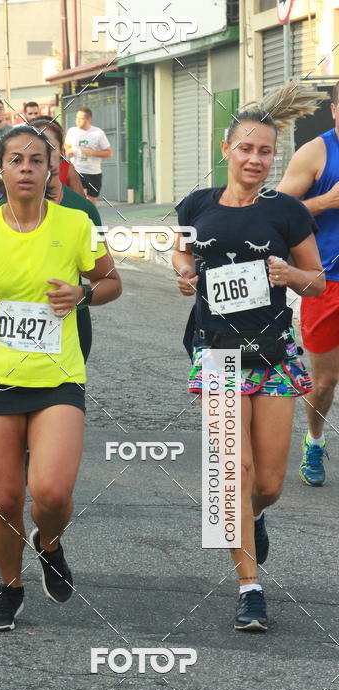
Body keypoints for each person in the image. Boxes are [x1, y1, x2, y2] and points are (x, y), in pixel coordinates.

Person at [0, 125, 122, 630]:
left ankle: (50, 544)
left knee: (51, 493)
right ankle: (10, 586)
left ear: (51, 169)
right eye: (16, 160)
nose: (25, 168)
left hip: (57, 376)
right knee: (4, 498)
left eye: (35, 160)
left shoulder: (74, 225)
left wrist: (82, 295)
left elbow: (111, 282)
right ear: (1, 170)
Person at [172, 82, 324, 632]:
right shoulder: (196, 205)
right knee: (234, 472)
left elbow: (318, 281)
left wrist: (292, 276)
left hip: (276, 356)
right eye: (246, 149)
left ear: (273, 156)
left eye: (265, 151)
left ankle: (254, 517)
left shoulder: (286, 212)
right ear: (226, 149)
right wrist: (183, 274)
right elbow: (183, 250)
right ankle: (250, 588)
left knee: (269, 483)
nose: (256, 159)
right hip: (217, 354)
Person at [0, 116, 100, 362]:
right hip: (15, 319)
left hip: (70, 318)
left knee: (68, 389)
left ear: (59, 154)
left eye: (47, 148)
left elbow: (104, 277)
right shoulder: (2, 208)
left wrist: (79, 292)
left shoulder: (83, 210)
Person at [277, 80, 339, 486]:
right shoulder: (317, 151)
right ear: (335, 110)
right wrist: (325, 201)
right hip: (326, 280)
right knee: (325, 380)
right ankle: (314, 440)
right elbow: (277, 209)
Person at [64, 108, 112, 204]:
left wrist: (92, 153)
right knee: (77, 199)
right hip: (76, 170)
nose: (77, 121)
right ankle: (77, 217)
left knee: (91, 202)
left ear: (88, 119)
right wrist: (68, 150)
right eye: (76, 118)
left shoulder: (98, 133)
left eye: (80, 119)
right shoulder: (72, 131)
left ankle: (88, 217)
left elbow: (109, 153)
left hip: (93, 173)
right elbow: (66, 145)